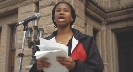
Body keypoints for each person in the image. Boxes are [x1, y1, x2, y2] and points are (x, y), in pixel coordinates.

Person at [29, 1, 104, 72]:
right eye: (58, 10)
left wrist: (75, 66)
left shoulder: (87, 41)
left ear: (72, 17)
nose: (61, 12)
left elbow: (97, 69)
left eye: (66, 10)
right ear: (54, 18)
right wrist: (37, 68)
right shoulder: (42, 45)